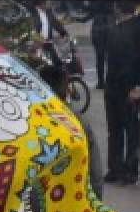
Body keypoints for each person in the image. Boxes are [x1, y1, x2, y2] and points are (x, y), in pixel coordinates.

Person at [39, 64, 104, 198]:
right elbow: (95, 170)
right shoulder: (77, 121)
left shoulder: (30, 122)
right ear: (67, 89)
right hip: (74, 199)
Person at [103, 3, 140, 185]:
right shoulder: (115, 27)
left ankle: (130, 170)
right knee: (114, 129)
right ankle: (115, 167)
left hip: (129, 86)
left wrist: (137, 85)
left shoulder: (137, 28)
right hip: (113, 84)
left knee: (130, 128)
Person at [89, 1, 114, 89]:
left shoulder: (95, 1)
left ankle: (100, 82)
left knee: (100, 58)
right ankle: (110, 80)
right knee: (110, 57)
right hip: (109, 28)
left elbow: (90, 12)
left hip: (98, 30)